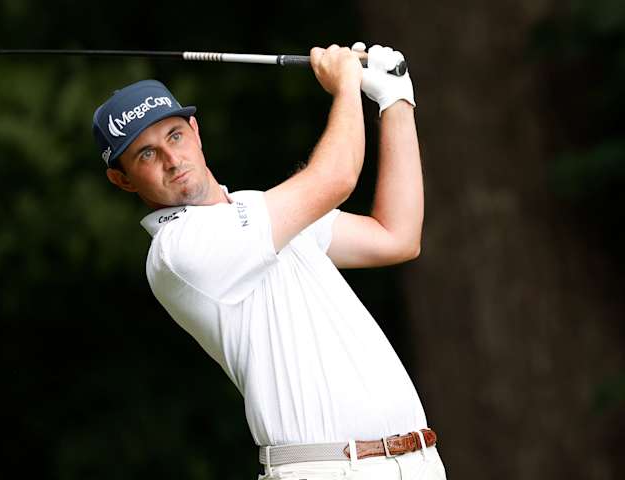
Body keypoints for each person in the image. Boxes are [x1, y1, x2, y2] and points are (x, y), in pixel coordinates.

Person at [91, 42, 446, 480]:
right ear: (121, 179)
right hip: (327, 469)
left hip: (417, 460)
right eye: (145, 154)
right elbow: (335, 178)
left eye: (174, 136)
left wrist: (396, 100)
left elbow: (397, 236)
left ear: (195, 132)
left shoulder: (262, 210)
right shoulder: (177, 250)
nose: (170, 159)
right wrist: (346, 86)